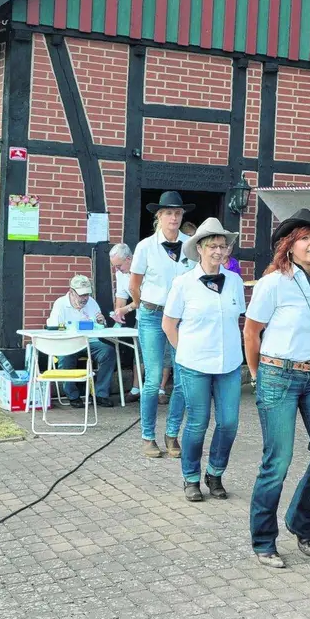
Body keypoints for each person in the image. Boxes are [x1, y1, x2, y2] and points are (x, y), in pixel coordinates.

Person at [243, 209, 310, 568]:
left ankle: (301, 524)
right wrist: (257, 375)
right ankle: (264, 540)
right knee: (277, 462)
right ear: (289, 246)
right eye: (305, 238)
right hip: (277, 374)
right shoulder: (273, 283)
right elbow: (251, 333)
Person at [163, 218, 247, 502]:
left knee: (229, 423)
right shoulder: (183, 283)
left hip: (230, 365)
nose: (218, 252)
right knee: (198, 423)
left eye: (222, 246)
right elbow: (168, 325)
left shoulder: (235, 282)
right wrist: (184, 353)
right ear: (199, 248)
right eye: (212, 246)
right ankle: (190, 478)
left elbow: (239, 320)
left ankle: (215, 473)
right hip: (194, 366)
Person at [129, 191, 194, 457]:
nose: (174, 217)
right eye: (168, 213)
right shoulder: (145, 246)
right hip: (153, 315)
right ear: (159, 216)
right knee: (154, 377)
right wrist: (142, 303)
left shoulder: (192, 245)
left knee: (181, 378)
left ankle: (171, 434)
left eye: (178, 213)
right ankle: (147, 436)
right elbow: (134, 284)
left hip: (181, 319)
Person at [45, 274, 117, 408]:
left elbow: (100, 327)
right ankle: (72, 395)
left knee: (109, 352)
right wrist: (68, 327)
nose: (85, 298)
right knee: (66, 357)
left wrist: (102, 321)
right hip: (68, 341)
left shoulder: (92, 303)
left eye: (87, 295)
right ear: (71, 292)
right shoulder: (61, 304)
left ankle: (101, 394)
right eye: (81, 295)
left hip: (90, 341)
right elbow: (53, 327)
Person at [109, 243, 135, 324]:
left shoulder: (145, 268)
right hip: (141, 316)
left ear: (128, 259)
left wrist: (125, 310)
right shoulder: (120, 273)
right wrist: (118, 314)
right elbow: (121, 295)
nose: (117, 269)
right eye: (114, 266)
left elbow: (144, 299)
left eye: (119, 266)